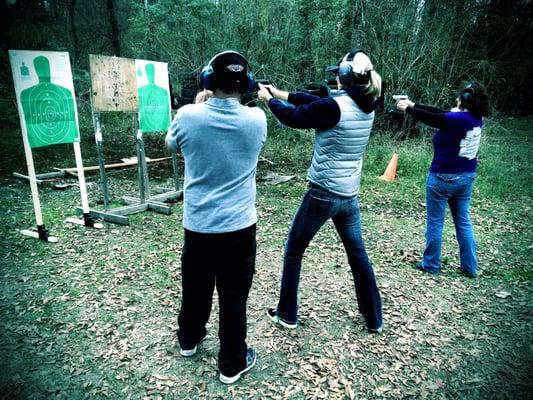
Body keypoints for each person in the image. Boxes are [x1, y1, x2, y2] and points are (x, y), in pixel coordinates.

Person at [257, 49, 383, 333]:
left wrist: (269, 101)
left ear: (346, 77)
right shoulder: (368, 104)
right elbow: (315, 102)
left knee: (294, 250)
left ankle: (287, 315)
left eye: (339, 75)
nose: (335, 79)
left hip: (322, 194)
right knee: (358, 256)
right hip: (349, 196)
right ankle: (374, 318)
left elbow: (296, 117)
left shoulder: (335, 107)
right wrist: (278, 92)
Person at [165, 50, 267, 384]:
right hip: (239, 226)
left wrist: (197, 105)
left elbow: (171, 143)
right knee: (234, 294)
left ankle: (189, 339)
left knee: (195, 286)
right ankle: (232, 362)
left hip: (198, 225)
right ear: (245, 84)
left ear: (209, 80)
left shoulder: (188, 115)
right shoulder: (257, 120)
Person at [396, 82, 489, 277]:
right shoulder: (477, 118)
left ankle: (431, 264)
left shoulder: (457, 119)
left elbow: (433, 118)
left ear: (464, 100)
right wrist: (413, 105)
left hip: (442, 177)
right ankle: (470, 267)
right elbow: (439, 113)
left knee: (435, 223)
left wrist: (410, 110)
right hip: (466, 177)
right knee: (463, 223)